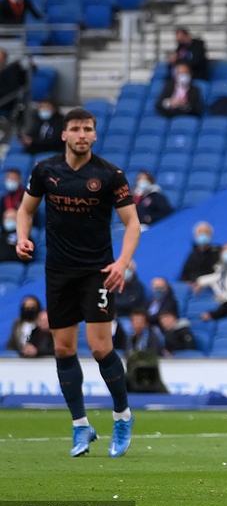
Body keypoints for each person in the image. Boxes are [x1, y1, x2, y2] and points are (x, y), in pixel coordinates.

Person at [15, 107, 141, 457]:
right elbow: (25, 210)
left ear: (95, 135)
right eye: (76, 128)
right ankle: (80, 427)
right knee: (63, 349)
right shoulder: (45, 170)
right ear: (64, 134)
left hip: (97, 272)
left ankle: (122, 416)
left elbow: (132, 223)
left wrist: (122, 263)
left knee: (101, 348)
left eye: (88, 128)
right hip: (58, 271)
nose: (82, 133)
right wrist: (22, 237)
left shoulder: (110, 174)